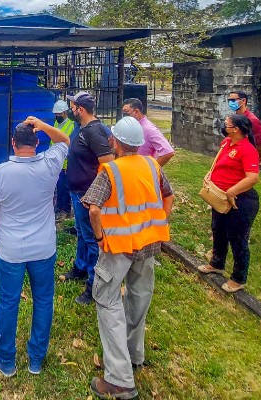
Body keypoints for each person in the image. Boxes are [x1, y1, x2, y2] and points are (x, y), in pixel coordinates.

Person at [82, 116, 174, 399]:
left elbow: (94, 209)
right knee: (138, 298)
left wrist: (99, 237)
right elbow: (168, 196)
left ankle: (119, 379)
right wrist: (158, 224)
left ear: (116, 142)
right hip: (148, 245)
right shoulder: (152, 164)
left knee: (107, 301)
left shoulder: (110, 171)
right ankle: (135, 355)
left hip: (118, 248)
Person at [0, 117, 70, 376]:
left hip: (11, 251)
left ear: (13, 143)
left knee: (8, 302)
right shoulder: (50, 164)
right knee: (43, 301)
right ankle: (36, 359)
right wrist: (43, 124)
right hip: (44, 248)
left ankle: (5, 358)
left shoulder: (1, 172)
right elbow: (64, 140)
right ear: (38, 143)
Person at [61, 91, 114, 304]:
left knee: (92, 239)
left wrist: (95, 194)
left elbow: (109, 164)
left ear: (80, 110)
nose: (71, 110)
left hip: (87, 194)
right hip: (79, 192)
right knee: (83, 234)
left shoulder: (94, 132)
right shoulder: (83, 129)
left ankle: (94, 285)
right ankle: (80, 268)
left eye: (73, 107)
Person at [197, 114, 260, 293]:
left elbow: (253, 178)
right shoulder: (226, 143)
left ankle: (238, 278)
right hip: (219, 197)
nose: (224, 126)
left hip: (240, 201)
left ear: (237, 129)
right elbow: (219, 163)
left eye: (227, 125)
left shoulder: (247, 150)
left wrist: (232, 191)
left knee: (238, 239)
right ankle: (217, 263)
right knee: (218, 230)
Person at [122, 98, 175, 166]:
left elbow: (168, 152)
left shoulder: (149, 129)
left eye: (126, 113)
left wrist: (152, 170)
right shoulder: (132, 126)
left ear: (136, 112)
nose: (124, 116)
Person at [227, 91, 261, 163]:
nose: (230, 103)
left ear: (243, 101)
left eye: (233, 100)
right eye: (229, 100)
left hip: (246, 158)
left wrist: (256, 157)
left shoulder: (252, 120)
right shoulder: (234, 118)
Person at [52, 99, 75, 217]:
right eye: (55, 114)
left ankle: (66, 210)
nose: (57, 116)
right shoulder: (57, 123)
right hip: (56, 162)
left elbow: (69, 145)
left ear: (65, 112)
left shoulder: (71, 125)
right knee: (58, 186)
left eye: (59, 114)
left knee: (65, 187)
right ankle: (58, 207)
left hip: (65, 164)